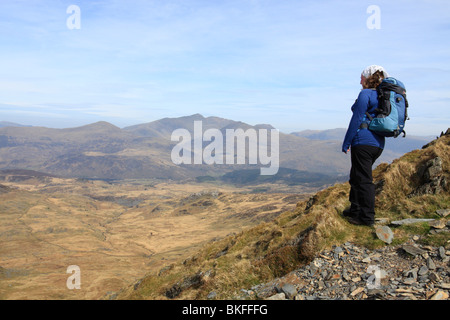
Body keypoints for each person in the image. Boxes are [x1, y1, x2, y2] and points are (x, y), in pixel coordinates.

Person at [342, 65, 389, 226]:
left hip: (363, 141)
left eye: (361, 77)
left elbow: (356, 119)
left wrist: (346, 142)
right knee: (356, 176)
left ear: (368, 78)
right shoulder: (382, 96)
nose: (359, 80)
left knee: (363, 180)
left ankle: (366, 217)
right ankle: (354, 209)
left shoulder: (365, 94)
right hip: (378, 143)